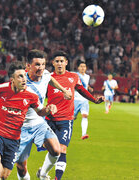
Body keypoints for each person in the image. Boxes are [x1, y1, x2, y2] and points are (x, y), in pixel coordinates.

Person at [0, 62, 57, 180]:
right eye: (20, 76)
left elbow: (40, 112)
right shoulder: (0, 89)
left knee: (4, 176)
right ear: (12, 79)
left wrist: (49, 109)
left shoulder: (31, 96)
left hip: (13, 139)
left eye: (24, 75)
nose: (24, 79)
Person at [43, 51, 104, 180]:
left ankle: (57, 178)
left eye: (62, 61)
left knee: (62, 149)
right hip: (49, 120)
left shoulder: (73, 77)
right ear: (53, 63)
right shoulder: (47, 78)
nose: (59, 64)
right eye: (57, 61)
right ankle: (43, 172)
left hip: (66, 120)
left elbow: (82, 90)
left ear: (66, 62)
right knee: (52, 150)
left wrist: (94, 100)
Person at [16, 49, 72, 180]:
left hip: (39, 123)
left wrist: (63, 90)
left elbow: (49, 78)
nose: (41, 68)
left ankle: (43, 174)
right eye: (37, 65)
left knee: (56, 150)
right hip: (22, 126)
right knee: (21, 166)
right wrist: (48, 108)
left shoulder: (45, 74)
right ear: (28, 65)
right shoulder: (20, 82)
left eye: (43, 64)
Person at [74, 60, 94, 140]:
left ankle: (84, 134)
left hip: (84, 100)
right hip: (75, 99)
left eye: (84, 67)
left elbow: (85, 85)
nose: (83, 68)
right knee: (72, 118)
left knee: (85, 116)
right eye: (81, 66)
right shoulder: (75, 75)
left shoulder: (87, 76)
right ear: (78, 68)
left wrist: (89, 88)